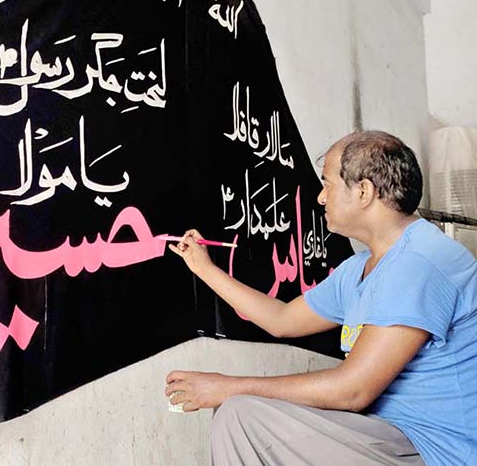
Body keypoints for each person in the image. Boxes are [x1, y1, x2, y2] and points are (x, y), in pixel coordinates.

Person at [165, 130, 477, 466]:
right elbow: (282, 320)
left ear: (363, 191)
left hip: (434, 451)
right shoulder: (359, 269)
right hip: (382, 434)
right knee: (239, 413)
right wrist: (204, 269)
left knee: (240, 414)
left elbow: (354, 390)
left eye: (327, 183)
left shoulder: (419, 262)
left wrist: (228, 387)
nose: (320, 198)